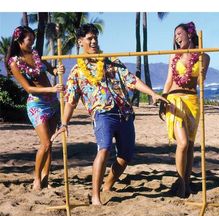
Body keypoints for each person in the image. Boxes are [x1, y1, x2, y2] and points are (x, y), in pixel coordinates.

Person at [51, 23, 169, 205]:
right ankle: (95, 196)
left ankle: (107, 186)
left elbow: (132, 80)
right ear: (80, 41)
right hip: (102, 114)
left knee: (125, 157)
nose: (93, 41)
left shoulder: (111, 60)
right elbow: (70, 101)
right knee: (104, 149)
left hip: (125, 113)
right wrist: (64, 123)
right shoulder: (77, 71)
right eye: (89, 38)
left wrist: (152, 93)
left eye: (95, 38)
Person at [6, 26, 65, 190]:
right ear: (19, 41)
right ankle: (37, 178)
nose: (32, 43)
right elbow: (29, 89)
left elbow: (50, 71)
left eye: (33, 39)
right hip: (37, 104)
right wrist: (52, 89)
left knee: (50, 144)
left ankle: (46, 178)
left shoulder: (35, 54)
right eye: (29, 40)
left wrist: (57, 70)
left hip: (52, 101)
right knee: (45, 143)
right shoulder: (14, 62)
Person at [159, 22, 210, 198]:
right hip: (174, 100)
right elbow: (168, 80)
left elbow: (200, 83)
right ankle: (181, 184)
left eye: (180, 33)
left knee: (189, 145)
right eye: (175, 35)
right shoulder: (173, 55)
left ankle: (186, 184)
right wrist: (162, 100)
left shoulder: (203, 56)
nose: (177, 38)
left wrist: (201, 73)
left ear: (190, 34)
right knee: (182, 143)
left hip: (192, 102)